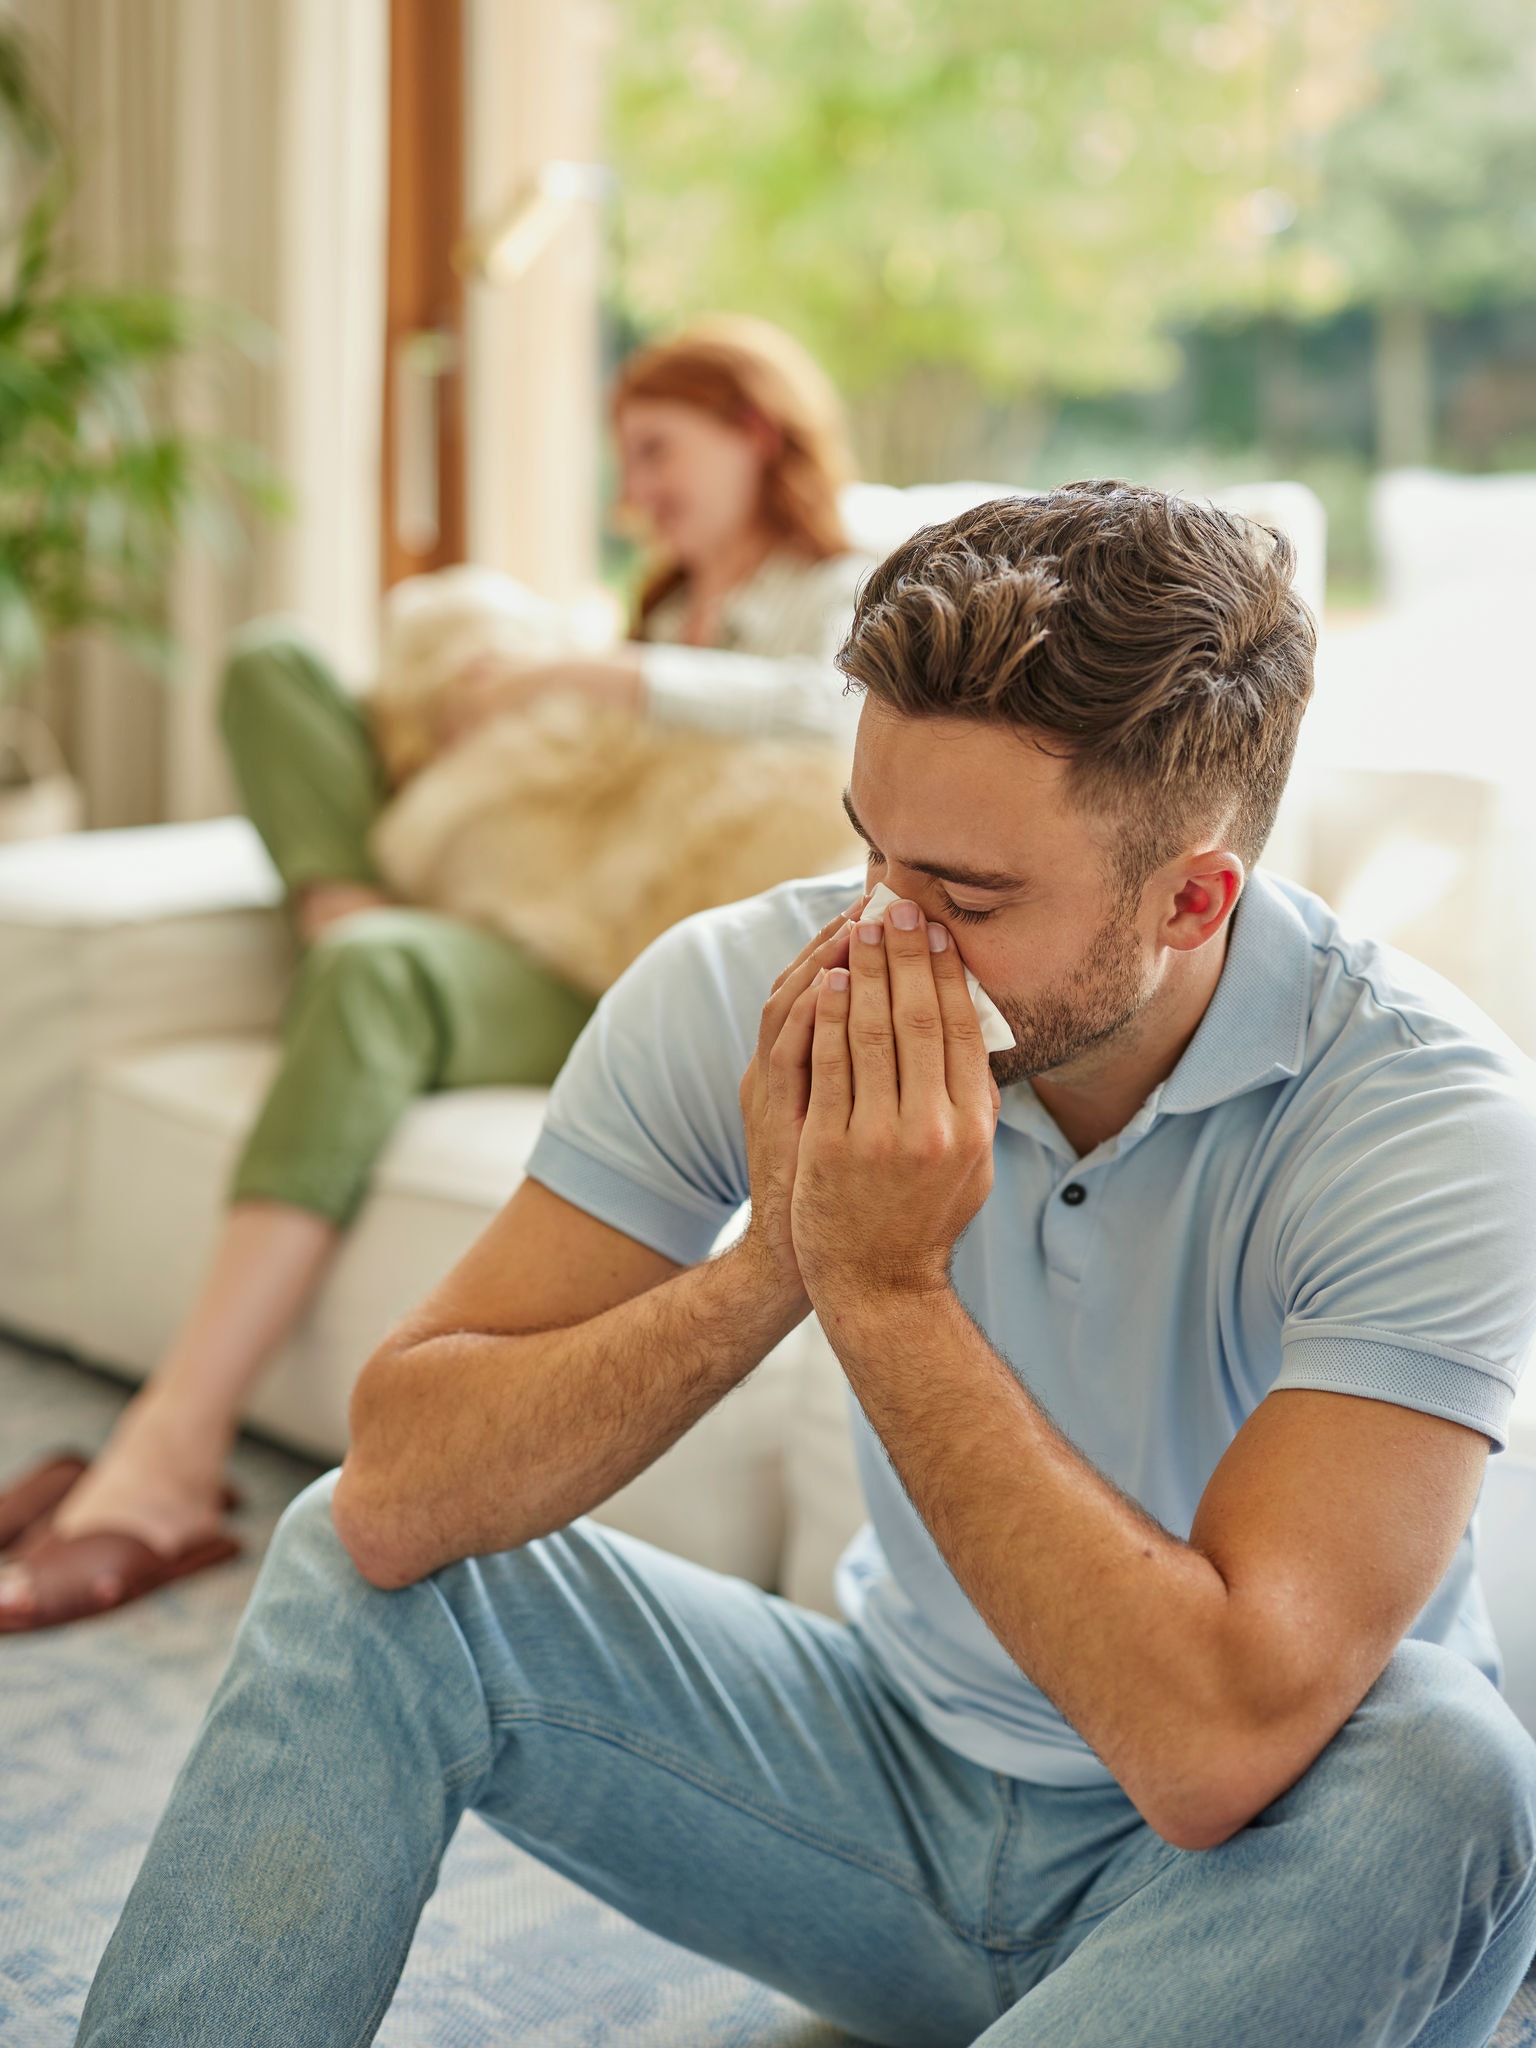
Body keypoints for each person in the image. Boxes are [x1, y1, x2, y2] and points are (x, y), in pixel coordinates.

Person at [75, 484, 1536, 2047]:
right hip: (885, 1800)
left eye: (967, 897)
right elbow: (397, 1493)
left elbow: (1211, 1755)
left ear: (1192, 899)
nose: (879, 940)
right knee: (358, 1556)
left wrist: (888, 1294)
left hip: (1253, 1882)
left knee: (1456, 1769)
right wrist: (780, 1254)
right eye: (870, 852)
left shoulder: (1423, 1119)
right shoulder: (738, 984)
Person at [0, 315, 869, 1630]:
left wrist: (587, 675)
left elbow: (839, 711)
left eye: (656, 451)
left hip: (607, 960)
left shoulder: (841, 584)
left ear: (754, 430)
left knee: (372, 978)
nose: (634, 493)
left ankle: (170, 1452)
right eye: (624, 463)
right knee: (276, 666)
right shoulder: (654, 595)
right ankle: (353, 914)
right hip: (503, 901)